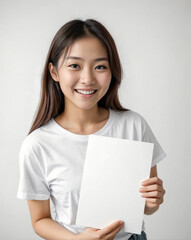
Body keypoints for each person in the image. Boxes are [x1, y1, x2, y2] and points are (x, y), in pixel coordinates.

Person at [17, 18, 167, 240]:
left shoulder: (134, 126)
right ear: (54, 72)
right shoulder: (37, 145)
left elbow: (146, 207)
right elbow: (40, 220)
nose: (87, 79)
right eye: (74, 65)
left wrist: (153, 200)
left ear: (112, 72)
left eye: (100, 67)